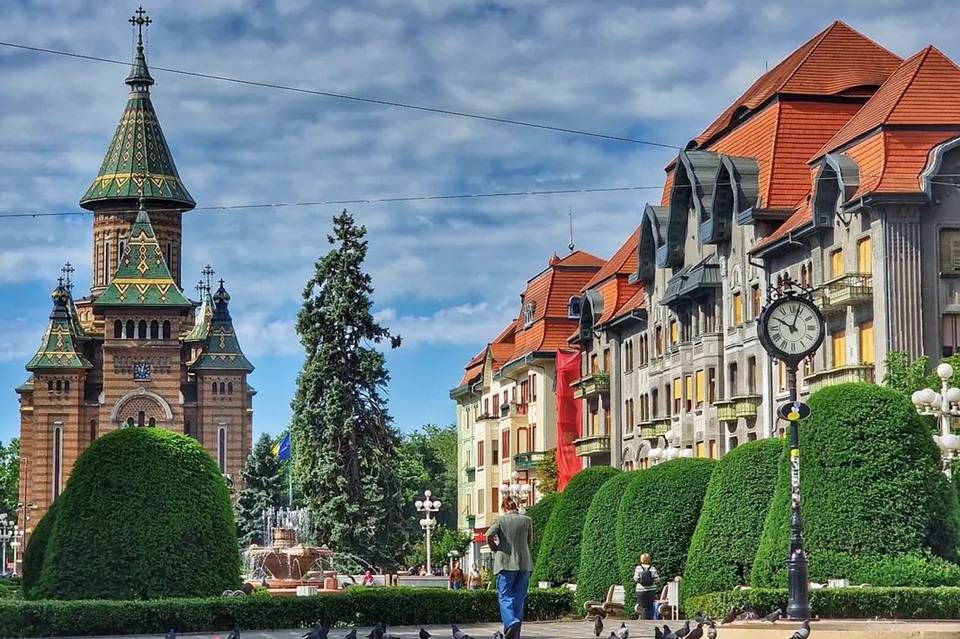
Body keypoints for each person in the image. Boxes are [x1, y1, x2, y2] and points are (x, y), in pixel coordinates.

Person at [486, 496, 533, 639]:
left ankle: (511, 621)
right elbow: (529, 541)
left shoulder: (501, 520)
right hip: (525, 564)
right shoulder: (527, 520)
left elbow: (488, 534)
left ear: (504, 508)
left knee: (505, 596)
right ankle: (514, 635)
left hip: (506, 563)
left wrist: (495, 548)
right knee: (519, 600)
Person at [633, 553, 660, 620]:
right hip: (651, 590)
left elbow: (636, 579)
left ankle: (645, 621)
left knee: (643, 607)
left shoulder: (638, 568)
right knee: (650, 606)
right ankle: (650, 620)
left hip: (641, 590)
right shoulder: (652, 568)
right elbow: (657, 579)